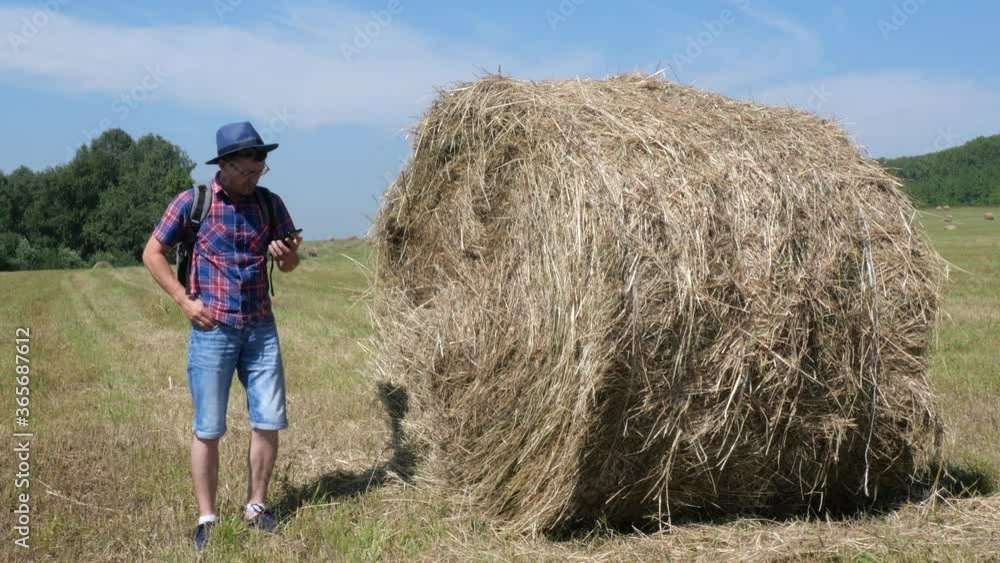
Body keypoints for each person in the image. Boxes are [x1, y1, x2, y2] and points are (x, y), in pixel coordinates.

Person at [142, 121, 302, 551]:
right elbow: (152, 252)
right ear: (225, 166)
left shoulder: (269, 204)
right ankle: (207, 518)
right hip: (212, 329)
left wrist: (286, 257)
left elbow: (290, 263)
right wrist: (183, 300)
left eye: (260, 172)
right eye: (248, 172)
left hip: (261, 328)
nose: (255, 179)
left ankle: (257, 507)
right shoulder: (193, 202)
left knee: (269, 420)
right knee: (209, 427)